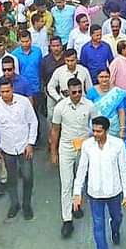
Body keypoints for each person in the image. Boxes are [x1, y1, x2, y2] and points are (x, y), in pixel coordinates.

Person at [73, 116, 126, 249]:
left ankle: (115, 229)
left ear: (106, 130)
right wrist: (77, 193)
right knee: (98, 226)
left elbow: (124, 170)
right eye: (93, 131)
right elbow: (81, 169)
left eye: (99, 131)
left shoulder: (118, 145)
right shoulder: (87, 145)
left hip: (114, 192)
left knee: (117, 217)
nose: (96, 134)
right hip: (94, 193)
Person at [50, 77, 94, 238]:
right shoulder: (60, 107)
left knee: (80, 180)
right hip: (66, 147)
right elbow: (55, 130)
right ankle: (67, 220)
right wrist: (53, 152)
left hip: (84, 147)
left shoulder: (90, 105)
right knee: (66, 183)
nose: (76, 95)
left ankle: (77, 205)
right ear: (68, 91)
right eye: (73, 92)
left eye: (79, 92)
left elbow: (97, 126)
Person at [0, 80, 38, 220]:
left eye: (7, 91)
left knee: (28, 177)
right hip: (7, 148)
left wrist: (30, 143)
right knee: (11, 178)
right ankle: (14, 204)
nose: (5, 94)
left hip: (24, 147)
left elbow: (33, 122)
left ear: (12, 89)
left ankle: (26, 205)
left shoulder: (23, 102)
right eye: (2, 92)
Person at [86, 69, 126, 157]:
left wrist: (122, 129)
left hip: (113, 127)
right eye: (101, 77)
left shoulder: (116, 92)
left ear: (110, 77)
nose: (104, 79)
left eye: (106, 76)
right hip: (97, 127)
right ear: (97, 78)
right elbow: (88, 110)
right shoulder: (92, 91)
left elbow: (121, 111)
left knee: (113, 152)